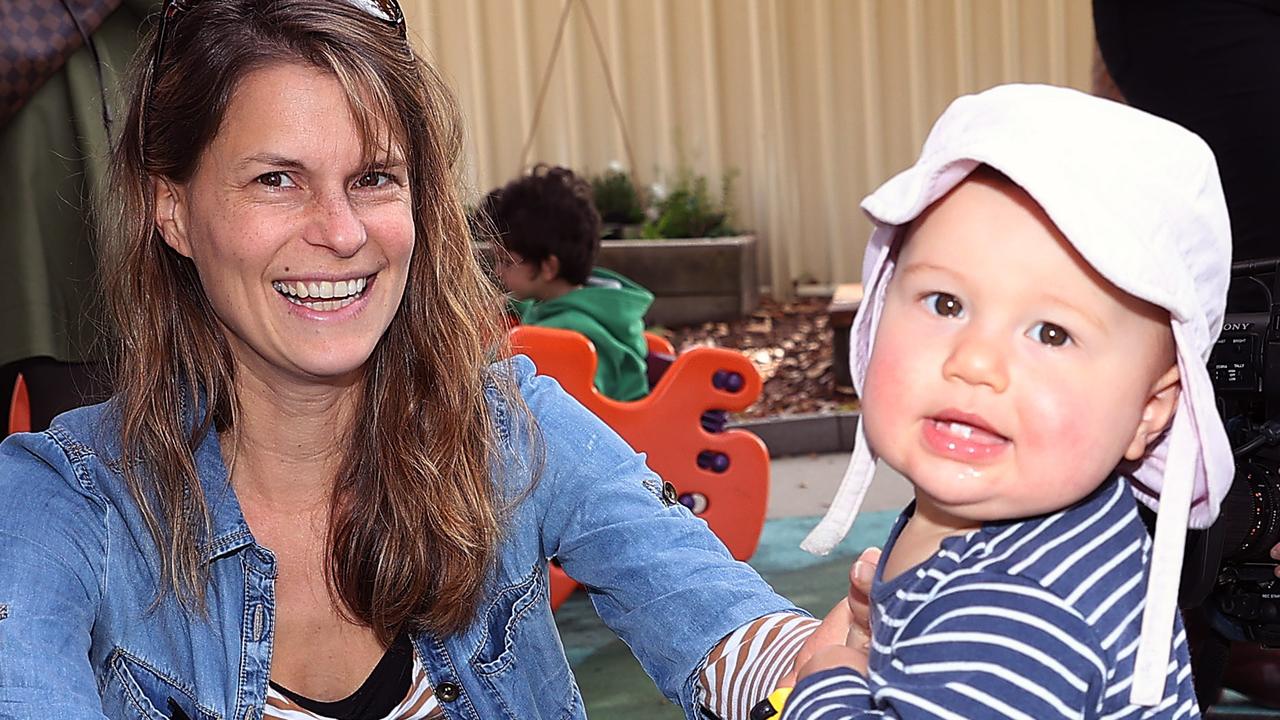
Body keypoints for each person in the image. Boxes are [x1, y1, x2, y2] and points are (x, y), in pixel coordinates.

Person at [0, 2, 856, 718]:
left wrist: (824, 676)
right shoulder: (65, 504)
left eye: (374, 177)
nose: (341, 233)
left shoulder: (510, 432)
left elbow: (720, 625)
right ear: (173, 211)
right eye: (276, 180)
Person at [779, 84, 1235, 718]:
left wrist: (829, 682)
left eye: (1051, 333)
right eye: (946, 303)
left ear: (1150, 414)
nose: (975, 362)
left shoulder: (1022, 611)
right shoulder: (1020, 516)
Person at [481, 165, 655, 402]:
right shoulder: (592, 308)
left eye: (505, 261)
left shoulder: (567, 333)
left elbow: (494, 379)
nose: (498, 271)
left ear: (548, 267)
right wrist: (506, 305)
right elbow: (534, 310)